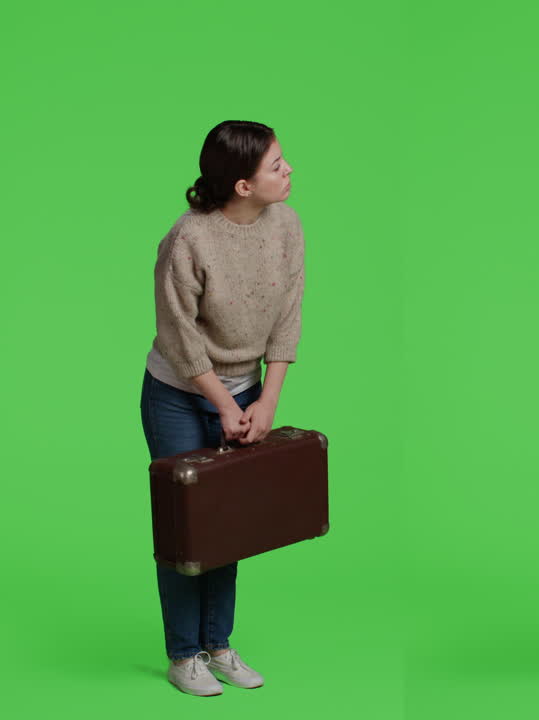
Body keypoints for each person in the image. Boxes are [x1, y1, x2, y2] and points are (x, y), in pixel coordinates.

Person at [140, 120, 304, 696]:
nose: (288, 172)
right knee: (188, 525)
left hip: (247, 389)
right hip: (180, 393)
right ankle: (183, 654)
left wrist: (266, 399)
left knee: (227, 522)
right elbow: (179, 335)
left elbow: (288, 317)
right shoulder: (189, 239)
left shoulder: (286, 225)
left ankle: (219, 645)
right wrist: (222, 400)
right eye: (276, 165)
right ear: (241, 184)